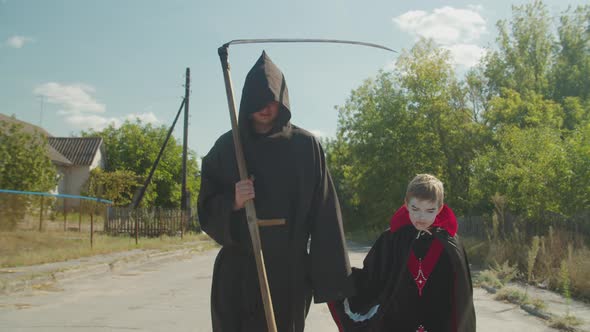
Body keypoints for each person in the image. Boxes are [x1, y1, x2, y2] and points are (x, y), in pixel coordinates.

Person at [198, 51, 354, 332]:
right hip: (238, 270)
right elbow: (206, 207)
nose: (265, 107)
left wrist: (333, 278)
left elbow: (325, 210)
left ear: (282, 100)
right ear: (246, 100)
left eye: (271, 99)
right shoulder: (227, 148)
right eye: (258, 99)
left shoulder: (305, 147)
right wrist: (232, 201)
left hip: (287, 274)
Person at [328, 174, 476, 332]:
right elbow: (371, 278)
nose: (421, 216)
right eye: (415, 209)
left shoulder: (451, 243)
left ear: (440, 208)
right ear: (406, 204)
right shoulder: (391, 239)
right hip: (398, 320)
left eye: (429, 210)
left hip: (439, 321)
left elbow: (461, 297)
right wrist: (334, 275)